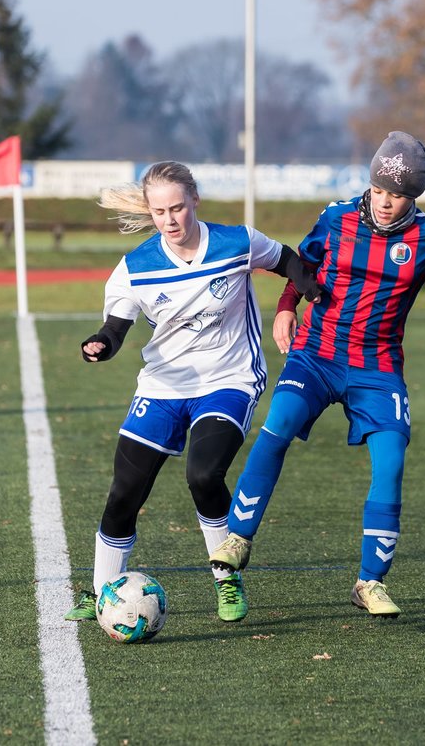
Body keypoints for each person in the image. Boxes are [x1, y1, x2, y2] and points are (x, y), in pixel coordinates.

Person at [207, 131, 425, 618]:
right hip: (317, 354)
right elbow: (302, 266)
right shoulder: (336, 218)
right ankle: (238, 538)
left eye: (397, 195)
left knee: (391, 460)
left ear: (413, 195)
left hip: (377, 367)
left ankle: (369, 583)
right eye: (379, 191)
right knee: (279, 423)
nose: (387, 202)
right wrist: (287, 307)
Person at [63, 161, 320, 625]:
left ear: (194, 200)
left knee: (203, 475)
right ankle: (104, 592)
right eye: (159, 211)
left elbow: (289, 261)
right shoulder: (136, 266)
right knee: (124, 491)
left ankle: (227, 581)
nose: (169, 219)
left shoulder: (236, 242)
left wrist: (309, 292)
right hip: (164, 385)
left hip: (229, 380)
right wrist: (101, 343)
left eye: (177, 208)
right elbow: (116, 326)